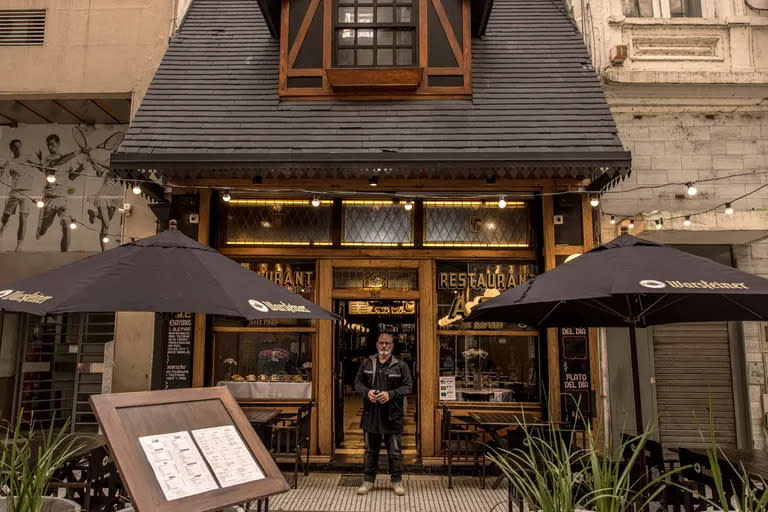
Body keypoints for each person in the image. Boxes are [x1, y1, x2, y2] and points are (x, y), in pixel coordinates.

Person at [353, 333, 412, 496]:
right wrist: (367, 392)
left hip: (393, 416)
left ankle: (397, 482)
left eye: (387, 343)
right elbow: (357, 382)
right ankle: (367, 482)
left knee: (394, 451)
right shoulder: (367, 363)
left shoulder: (401, 365)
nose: (384, 346)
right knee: (370, 451)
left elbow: (408, 387)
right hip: (371, 414)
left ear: (392, 346)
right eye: (381, 343)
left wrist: (390, 394)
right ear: (377, 345)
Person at [0, 139, 36, 251]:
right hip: (14, 192)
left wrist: (38, 161)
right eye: (15, 147)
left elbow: (41, 167)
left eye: (20, 146)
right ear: (12, 149)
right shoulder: (10, 162)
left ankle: (19, 245)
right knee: (5, 216)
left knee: (23, 218)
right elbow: (2, 177)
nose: (18, 149)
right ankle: (2, 227)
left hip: (27, 192)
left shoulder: (29, 157)